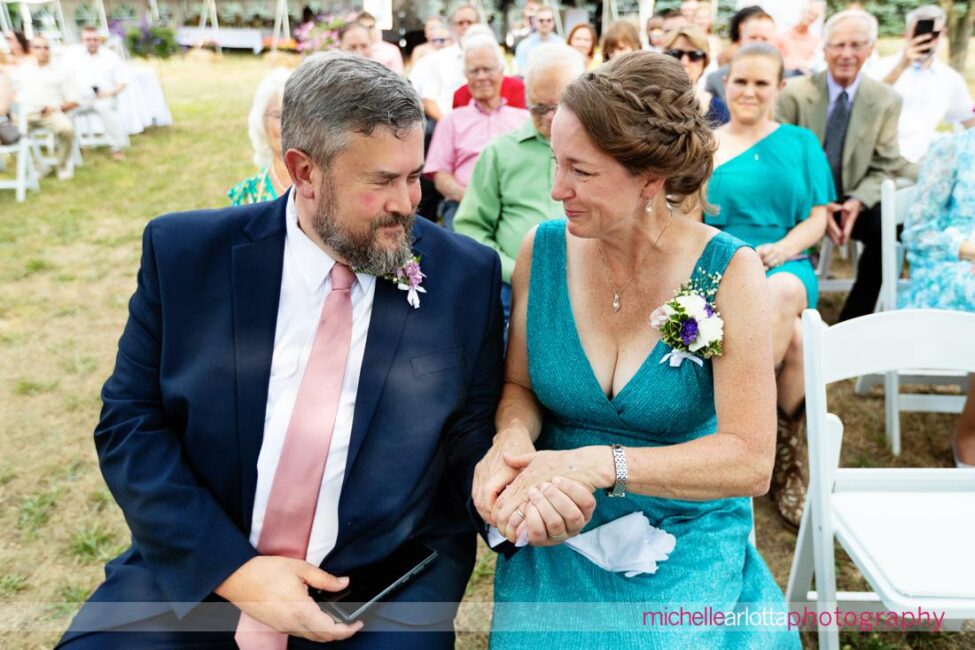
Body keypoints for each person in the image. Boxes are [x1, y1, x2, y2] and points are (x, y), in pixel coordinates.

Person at [55, 52, 590, 650]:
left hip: (377, 589)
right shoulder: (184, 256)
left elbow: (467, 430)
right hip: (201, 568)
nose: (408, 202)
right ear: (303, 172)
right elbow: (131, 423)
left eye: (414, 175)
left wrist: (504, 496)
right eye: (382, 181)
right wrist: (237, 573)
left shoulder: (462, 275)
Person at [474, 50, 797, 648]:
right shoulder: (539, 252)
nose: (555, 188)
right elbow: (519, 387)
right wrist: (512, 439)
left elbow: (751, 462)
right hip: (559, 519)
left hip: (683, 526)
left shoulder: (729, 271)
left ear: (650, 179)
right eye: (554, 161)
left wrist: (603, 463)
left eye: (581, 171)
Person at [705, 44, 833, 528]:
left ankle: (735, 440)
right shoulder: (707, 143)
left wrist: (780, 249)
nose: (750, 92)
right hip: (719, 265)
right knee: (799, 343)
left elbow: (818, 216)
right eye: (741, 81)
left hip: (786, 262)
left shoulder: (801, 143)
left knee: (779, 294)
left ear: (780, 88)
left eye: (762, 83)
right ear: (725, 84)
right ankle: (783, 464)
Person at [776, 8, 905, 322]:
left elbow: (885, 164)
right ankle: (788, 312)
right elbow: (782, 159)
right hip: (803, 198)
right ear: (824, 48)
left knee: (889, 227)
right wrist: (820, 205)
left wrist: (857, 202)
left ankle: (853, 322)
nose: (846, 54)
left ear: (870, 50)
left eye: (856, 45)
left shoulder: (886, 99)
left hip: (853, 198)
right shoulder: (795, 94)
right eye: (839, 45)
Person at [454, 44, 585, 321]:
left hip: (587, 286)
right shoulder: (500, 152)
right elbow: (470, 228)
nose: (550, 117)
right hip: (513, 287)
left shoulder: (599, 152)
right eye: (539, 108)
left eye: (560, 106)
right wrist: (516, 271)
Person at [898, 129, 975, 468]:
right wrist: (966, 248)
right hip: (950, 264)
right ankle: (969, 434)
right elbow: (918, 230)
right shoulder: (953, 148)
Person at [424, 32, 529, 229]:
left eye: (487, 69)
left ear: (501, 71)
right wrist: (472, 198)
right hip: (464, 205)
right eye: (474, 71)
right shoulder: (451, 122)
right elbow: (440, 176)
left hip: (516, 205)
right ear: (466, 76)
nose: (481, 77)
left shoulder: (523, 120)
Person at [867, 5, 975, 166]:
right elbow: (866, 103)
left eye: (934, 34)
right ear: (907, 33)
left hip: (926, 160)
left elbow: (968, 120)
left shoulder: (950, 79)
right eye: (920, 32)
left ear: (943, 34)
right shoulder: (879, 68)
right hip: (880, 157)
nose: (928, 39)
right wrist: (903, 64)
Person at [228, 69, 291, 206]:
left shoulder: (325, 188)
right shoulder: (247, 196)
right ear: (261, 122)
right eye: (278, 115)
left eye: (294, 115)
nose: (287, 124)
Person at [20, 35, 79, 180]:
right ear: (31, 50)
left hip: (51, 113)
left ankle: (62, 164)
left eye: (46, 47)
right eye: (38, 47)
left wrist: (56, 108)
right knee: (11, 133)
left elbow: (74, 100)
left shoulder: (61, 70)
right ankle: (39, 166)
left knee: (66, 129)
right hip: (26, 113)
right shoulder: (24, 70)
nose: (43, 51)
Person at [409, 4, 480, 123]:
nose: (465, 26)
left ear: (478, 24)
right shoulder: (439, 59)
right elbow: (428, 99)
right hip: (447, 123)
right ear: (452, 27)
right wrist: (447, 126)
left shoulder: (491, 56)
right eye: (460, 23)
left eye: (470, 22)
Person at [73, 26, 129, 161]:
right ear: (82, 41)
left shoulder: (111, 57)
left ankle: (116, 148)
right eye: (88, 39)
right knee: (64, 111)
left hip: (105, 97)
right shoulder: (75, 58)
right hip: (81, 98)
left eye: (95, 39)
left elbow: (123, 82)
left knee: (106, 108)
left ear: (100, 40)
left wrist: (109, 93)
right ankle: (74, 147)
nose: (92, 42)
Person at [662, 24, 729, 126]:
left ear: (704, 61)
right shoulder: (646, 102)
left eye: (695, 55)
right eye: (675, 54)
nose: (684, 62)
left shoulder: (719, 109)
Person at [705, 9, 777, 103]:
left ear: (774, 41)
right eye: (753, 37)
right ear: (741, 40)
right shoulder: (716, 80)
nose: (758, 44)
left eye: (764, 39)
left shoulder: (788, 80)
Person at [779, 1, 825, 75]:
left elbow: (814, 63)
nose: (811, 18)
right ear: (802, 12)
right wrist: (798, 65)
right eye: (810, 13)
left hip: (805, 75)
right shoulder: (783, 34)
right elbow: (777, 59)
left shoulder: (814, 40)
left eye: (815, 16)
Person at [514, 5, 563, 75]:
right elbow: (521, 71)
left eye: (549, 20)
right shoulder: (524, 45)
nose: (545, 23)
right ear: (535, 22)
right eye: (541, 20)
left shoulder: (561, 44)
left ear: (553, 22)